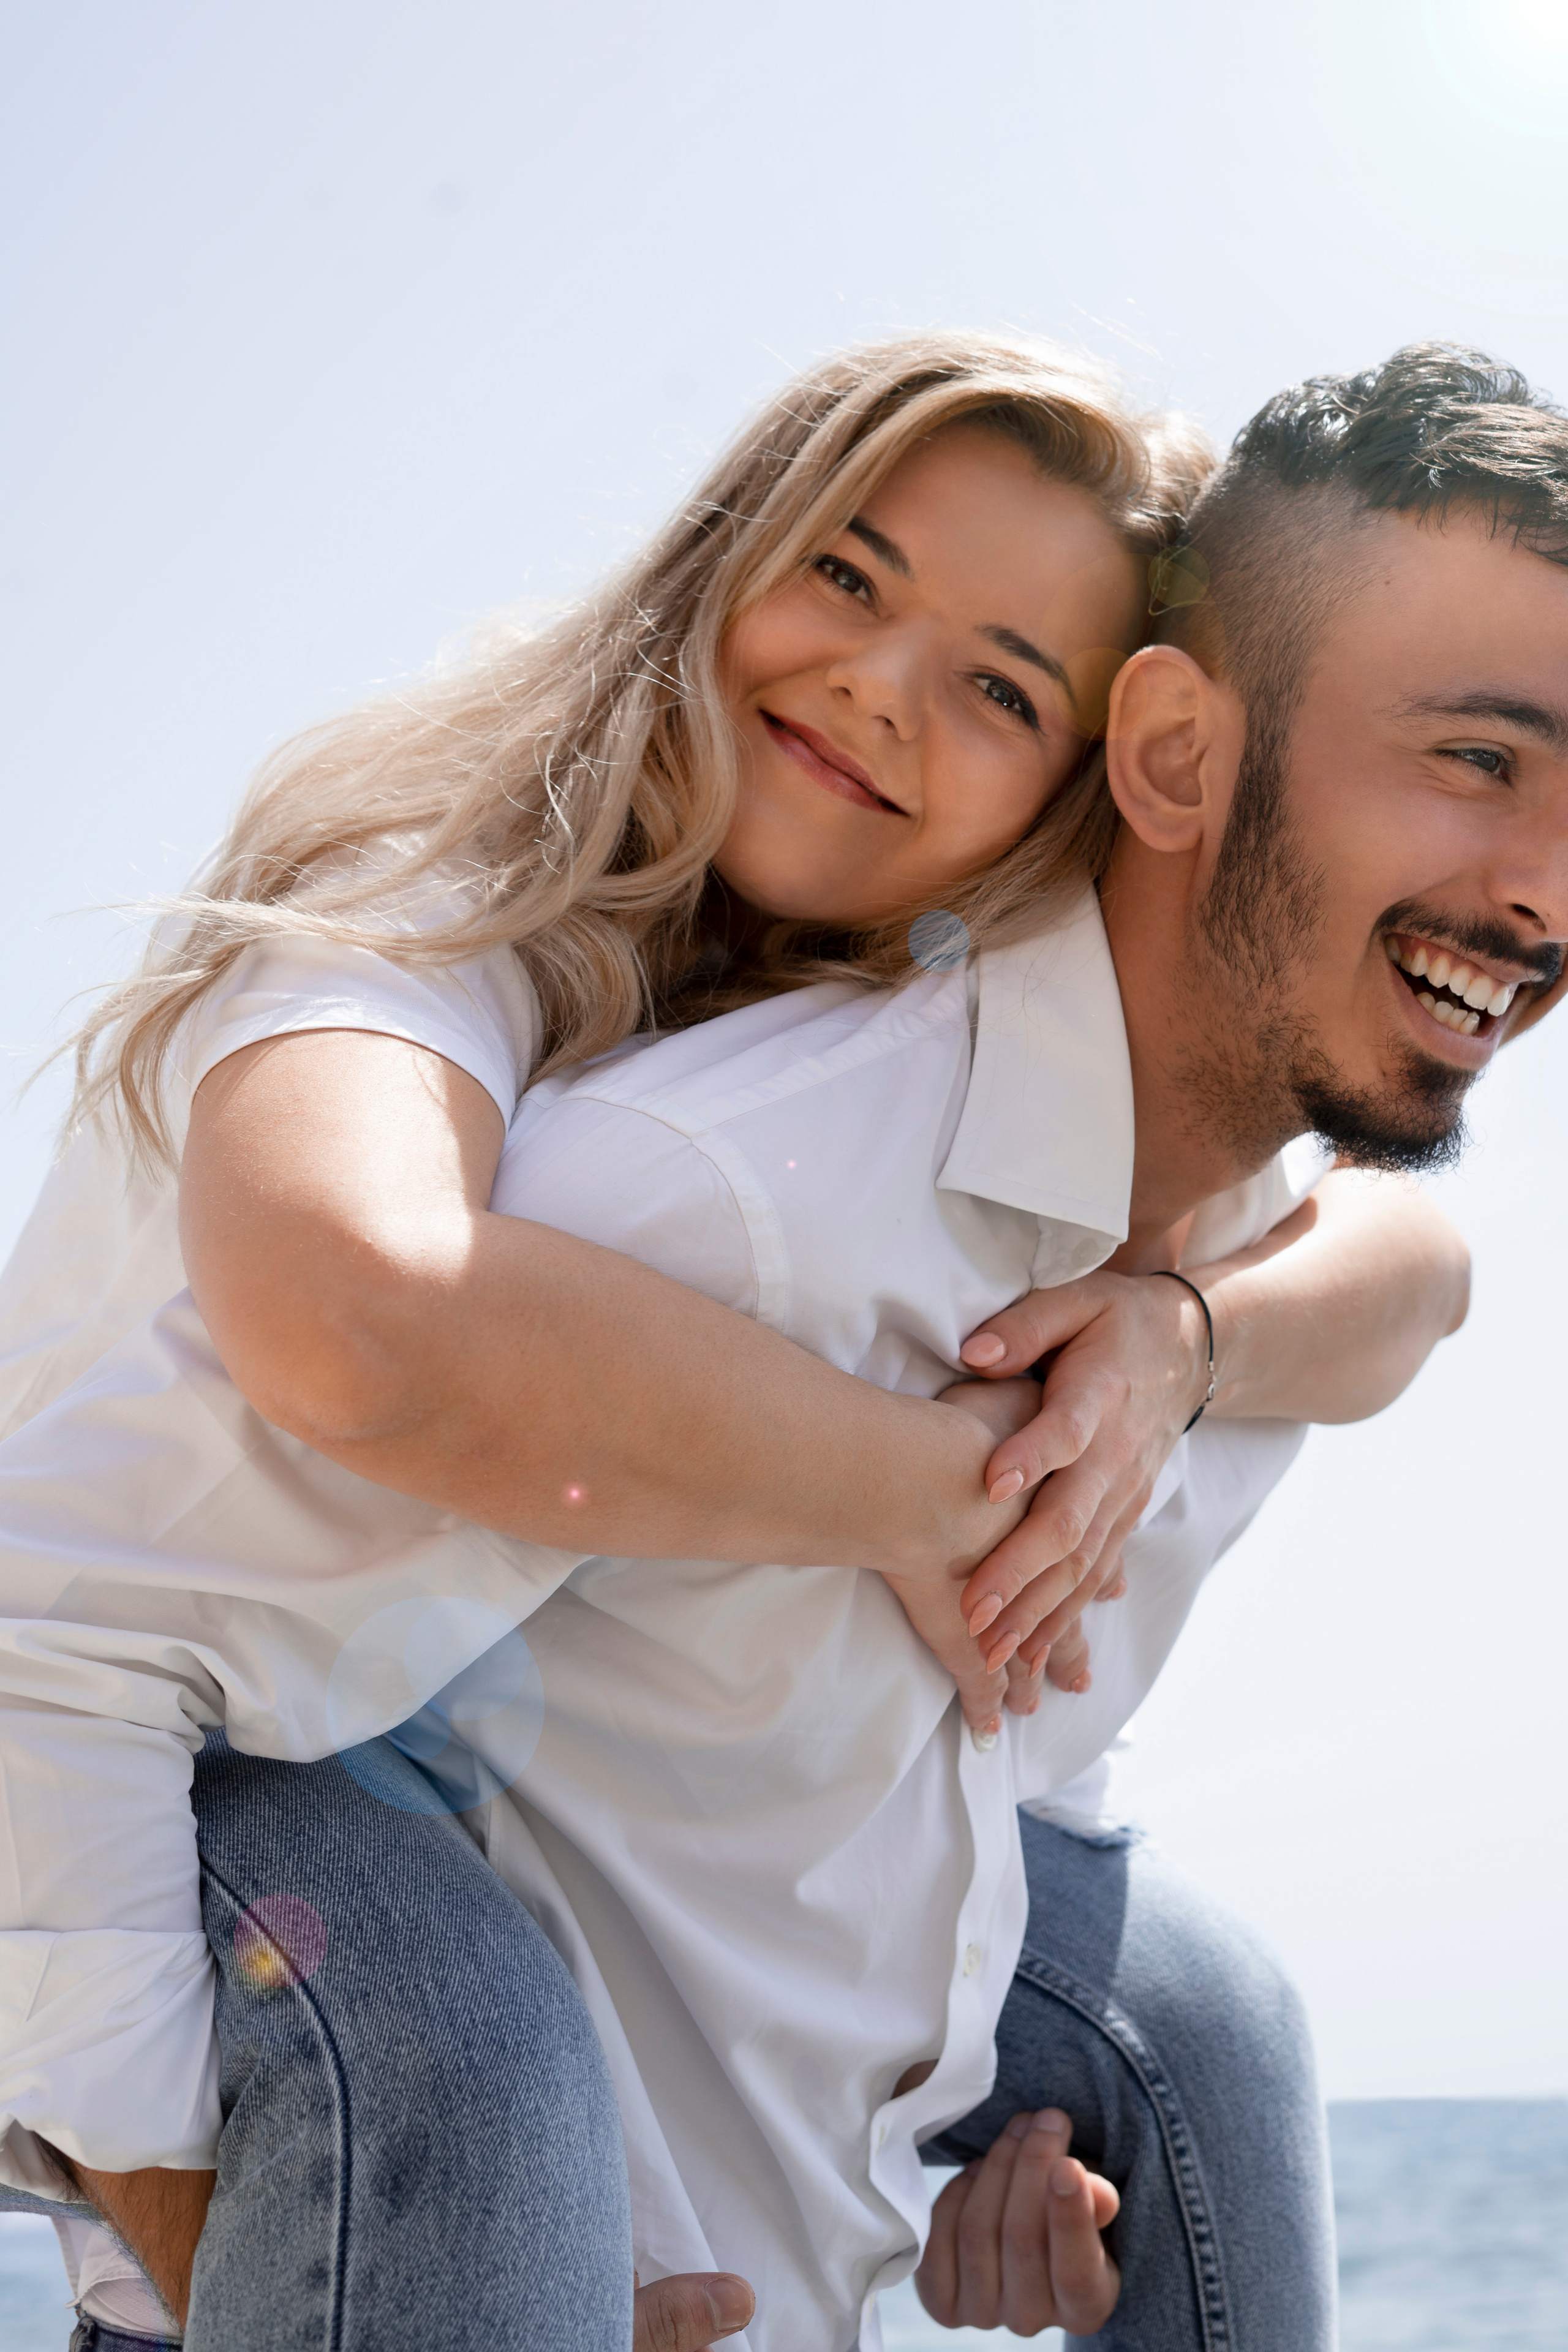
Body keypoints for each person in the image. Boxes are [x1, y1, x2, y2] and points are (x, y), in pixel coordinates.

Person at [0, 336, 1495, 2349]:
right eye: (849, 578)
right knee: (474, 2061)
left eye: (997, 686)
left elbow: (1415, 1264)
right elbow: (355, 1313)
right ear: (721, 561)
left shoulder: (877, 1051)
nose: (884, 685)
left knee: (1197, 2022)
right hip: (151, 1735)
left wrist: (1177, 1332)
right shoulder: (438, 906)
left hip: (350, 1690)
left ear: (1077, 799)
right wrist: (931, 1488)